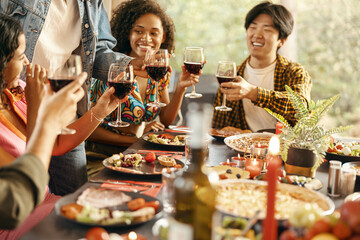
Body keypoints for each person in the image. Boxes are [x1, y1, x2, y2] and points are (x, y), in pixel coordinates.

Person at [0, 0, 137, 195]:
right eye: (21, 56)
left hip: (44, 102)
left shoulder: (92, 3)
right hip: (29, 97)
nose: (28, 62)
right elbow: (21, 197)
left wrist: (101, 109)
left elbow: (56, 146)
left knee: (79, 196)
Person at [88, 0, 201, 150]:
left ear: (163, 37)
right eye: (139, 31)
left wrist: (180, 87)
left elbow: (166, 119)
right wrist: (137, 140)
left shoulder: (159, 70)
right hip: (100, 154)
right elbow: (90, 130)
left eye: (154, 33)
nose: (146, 38)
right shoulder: (112, 68)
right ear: (128, 33)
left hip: (135, 153)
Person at [212, 1, 312, 132]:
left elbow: (301, 108)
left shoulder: (294, 72)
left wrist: (253, 93)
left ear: (282, 40)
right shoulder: (232, 76)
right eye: (253, 27)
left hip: (285, 150)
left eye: (267, 29)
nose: (257, 35)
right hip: (242, 151)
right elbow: (218, 128)